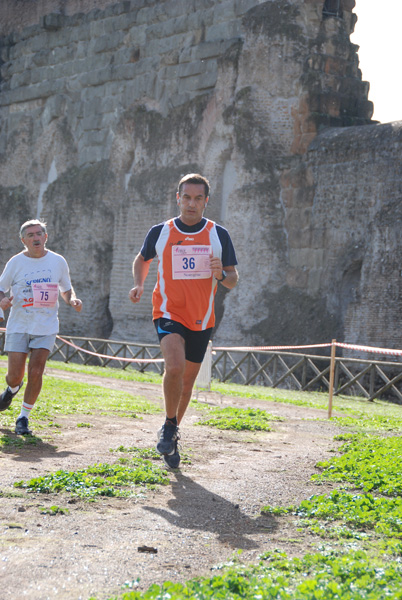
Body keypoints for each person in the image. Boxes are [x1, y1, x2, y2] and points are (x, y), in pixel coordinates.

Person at [129, 173, 238, 468]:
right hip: (168, 310)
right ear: (178, 198)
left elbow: (232, 279)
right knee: (174, 367)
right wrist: (139, 284)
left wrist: (220, 275)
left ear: (206, 201)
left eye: (198, 198)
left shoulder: (219, 234)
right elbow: (142, 259)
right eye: (186, 197)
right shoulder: (161, 231)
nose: (192, 204)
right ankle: (168, 424)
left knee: (188, 382)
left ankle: (173, 428)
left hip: (202, 318)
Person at [0, 219, 83, 435]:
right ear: (23, 240)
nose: (36, 238)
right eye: (30, 235)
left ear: (46, 237)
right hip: (19, 324)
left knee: (36, 371)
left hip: (46, 326)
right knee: (14, 376)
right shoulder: (16, 262)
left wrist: (72, 299)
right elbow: (1, 288)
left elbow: (66, 288)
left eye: (39, 234)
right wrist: (2, 301)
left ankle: (23, 418)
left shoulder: (58, 261)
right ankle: (12, 389)